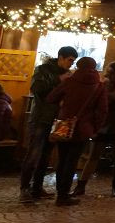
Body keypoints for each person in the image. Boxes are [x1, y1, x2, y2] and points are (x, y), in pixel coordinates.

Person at [45, 57, 107, 207]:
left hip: (64, 126)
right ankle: (64, 195)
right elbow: (102, 111)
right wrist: (95, 128)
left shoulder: (69, 82)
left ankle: (61, 193)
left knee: (62, 160)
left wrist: (64, 106)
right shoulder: (99, 86)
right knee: (72, 161)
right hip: (83, 129)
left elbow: (50, 98)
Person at [19, 45, 77, 204]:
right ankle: (24, 189)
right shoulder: (43, 70)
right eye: (70, 60)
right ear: (61, 57)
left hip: (55, 121)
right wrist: (59, 80)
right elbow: (36, 88)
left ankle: (37, 188)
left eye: (73, 61)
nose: (71, 64)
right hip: (40, 118)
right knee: (33, 154)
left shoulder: (67, 74)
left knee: (45, 156)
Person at [73, 61, 115, 198]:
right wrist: (111, 97)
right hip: (103, 125)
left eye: (112, 73)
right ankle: (81, 185)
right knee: (93, 155)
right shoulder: (104, 84)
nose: (109, 75)